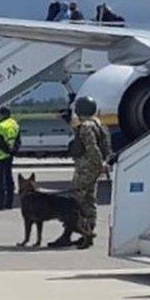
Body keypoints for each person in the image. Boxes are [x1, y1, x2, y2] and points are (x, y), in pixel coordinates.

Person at [51, 96, 112, 249]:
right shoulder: (98, 124)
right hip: (93, 169)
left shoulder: (86, 126)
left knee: (73, 202)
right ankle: (88, 233)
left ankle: (68, 235)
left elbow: (91, 147)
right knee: (89, 201)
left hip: (86, 168)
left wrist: (100, 164)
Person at [0, 106, 20, 211]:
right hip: (9, 156)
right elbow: (18, 140)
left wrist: (6, 151)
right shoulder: (15, 125)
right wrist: (13, 151)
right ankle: (9, 203)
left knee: (0, 182)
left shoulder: (0, 127)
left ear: (1, 114)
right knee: (9, 179)